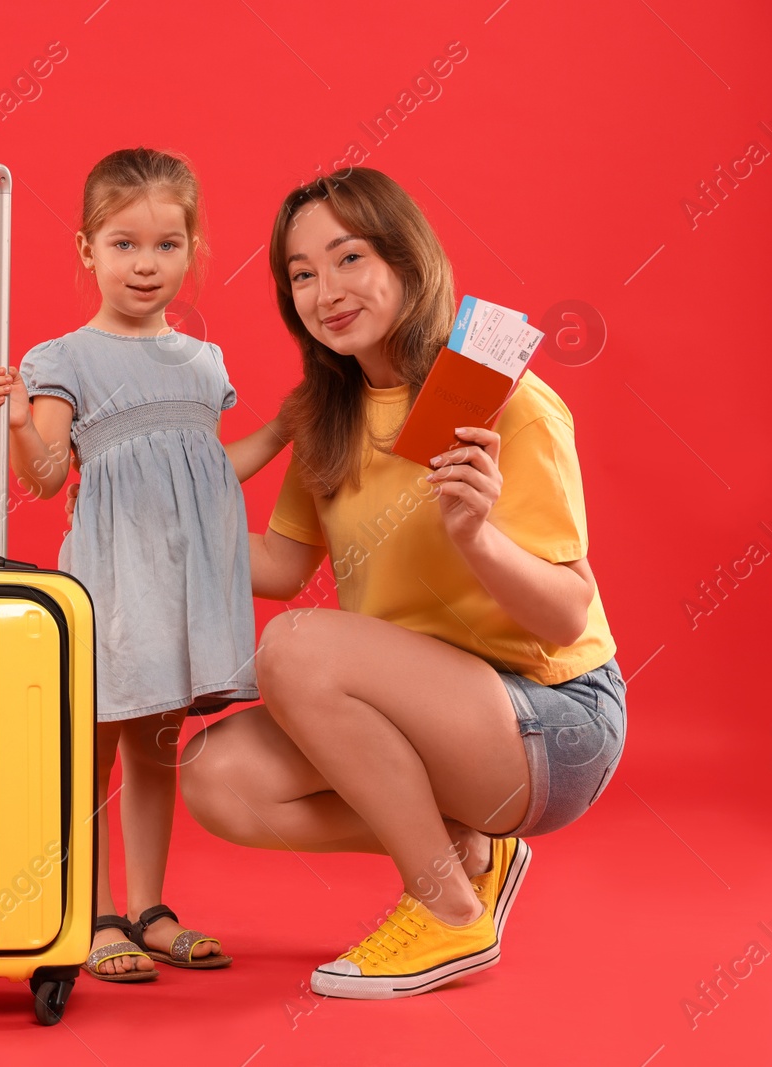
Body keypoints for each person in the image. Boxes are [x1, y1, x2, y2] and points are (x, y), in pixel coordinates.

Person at [173, 167, 625, 999]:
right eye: (301, 274)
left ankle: (448, 908)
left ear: (406, 261)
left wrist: (476, 536)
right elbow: (278, 562)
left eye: (348, 258)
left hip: (554, 718)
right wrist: (166, 541)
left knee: (298, 645)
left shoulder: (509, 403)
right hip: (427, 715)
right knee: (212, 774)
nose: (325, 291)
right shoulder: (327, 416)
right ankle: (469, 851)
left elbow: (566, 616)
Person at [0, 147, 285, 982]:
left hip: (178, 593)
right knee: (97, 750)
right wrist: (14, 421)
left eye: (165, 244)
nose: (145, 264)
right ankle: (94, 911)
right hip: (110, 588)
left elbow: (212, 470)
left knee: (159, 748)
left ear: (193, 250)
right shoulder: (65, 358)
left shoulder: (203, 362)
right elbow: (45, 479)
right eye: (123, 244)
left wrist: (288, 425)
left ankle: (149, 908)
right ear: (87, 249)